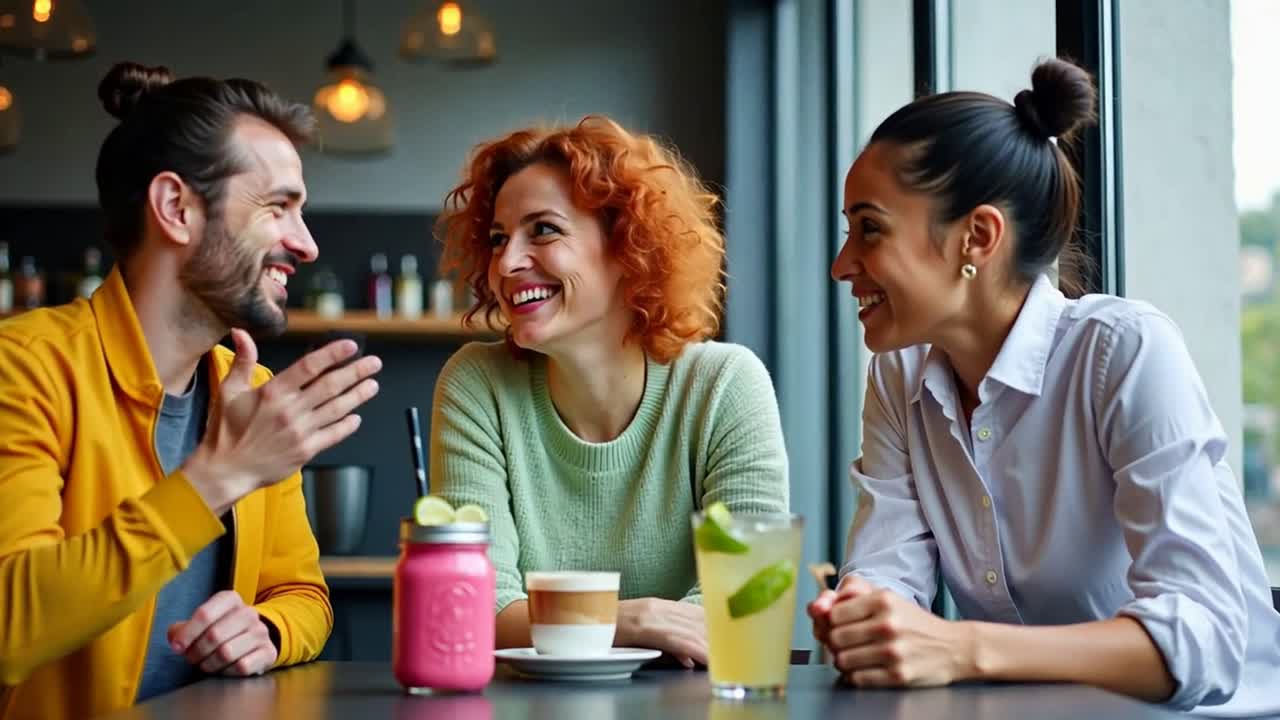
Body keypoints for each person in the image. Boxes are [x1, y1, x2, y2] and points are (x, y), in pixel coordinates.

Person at [810, 58, 1280, 715]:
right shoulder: (899, 377)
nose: (841, 265)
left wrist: (961, 647)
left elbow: (1207, 639)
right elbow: (888, 574)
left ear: (977, 236)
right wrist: (866, 617)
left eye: (870, 229)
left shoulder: (1124, 353)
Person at [0, 63, 382, 720]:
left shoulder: (252, 392)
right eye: (278, 207)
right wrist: (221, 475)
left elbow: (305, 597)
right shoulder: (25, 367)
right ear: (176, 208)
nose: (308, 244)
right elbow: (9, 625)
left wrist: (265, 630)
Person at [431, 115, 789, 666]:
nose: (507, 262)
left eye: (543, 230)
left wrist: (550, 624)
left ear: (627, 245)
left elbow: (747, 603)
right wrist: (636, 619)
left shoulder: (724, 385)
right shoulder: (478, 385)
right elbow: (475, 614)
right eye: (499, 239)